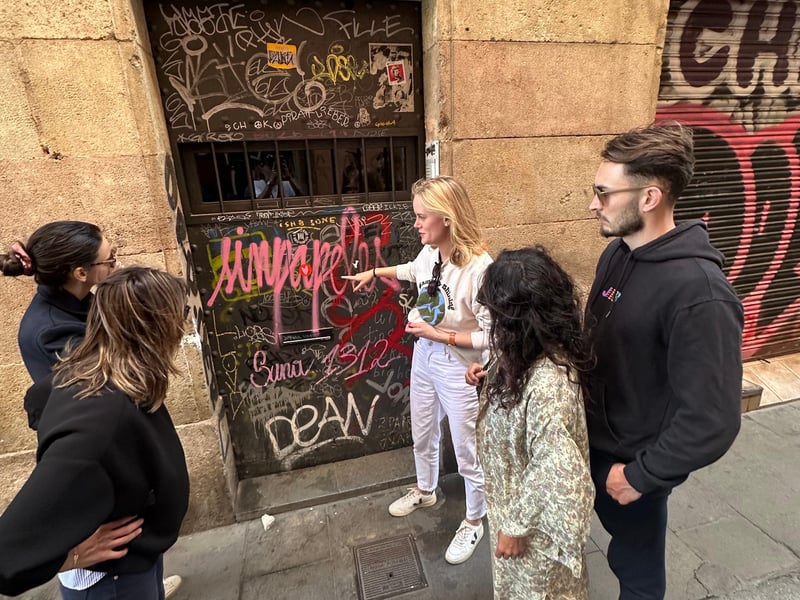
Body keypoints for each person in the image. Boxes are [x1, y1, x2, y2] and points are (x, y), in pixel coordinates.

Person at [585, 123, 744, 599]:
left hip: (630, 470)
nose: (594, 203)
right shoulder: (615, 254)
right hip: (588, 449)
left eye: (603, 193)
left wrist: (641, 476)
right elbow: (597, 343)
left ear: (649, 197)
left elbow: (713, 419)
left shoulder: (701, 293)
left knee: (639, 579)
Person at [0, 222, 183, 598]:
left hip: (134, 552)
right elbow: (10, 549)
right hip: (108, 577)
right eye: (109, 260)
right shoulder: (97, 417)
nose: (114, 266)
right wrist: (68, 556)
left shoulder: (108, 369)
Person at [344, 176, 492, 565]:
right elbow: (412, 269)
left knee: (467, 449)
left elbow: (490, 336)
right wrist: (374, 273)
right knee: (422, 430)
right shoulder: (430, 254)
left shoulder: (480, 269)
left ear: (447, 218)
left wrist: (439, 334)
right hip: (425, 355)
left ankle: (475, 519)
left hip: (458, 367)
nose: (416, 224)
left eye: (422, 216)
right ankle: (425, 489)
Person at [465, 246, 594, 599]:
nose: (489, 321)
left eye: (495, 315)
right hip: (511, 510)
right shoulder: (527, 353)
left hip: (533, 536)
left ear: (518, 321)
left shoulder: (549, 384)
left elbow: (557, 471)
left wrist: (516, 526)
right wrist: (490, 377)